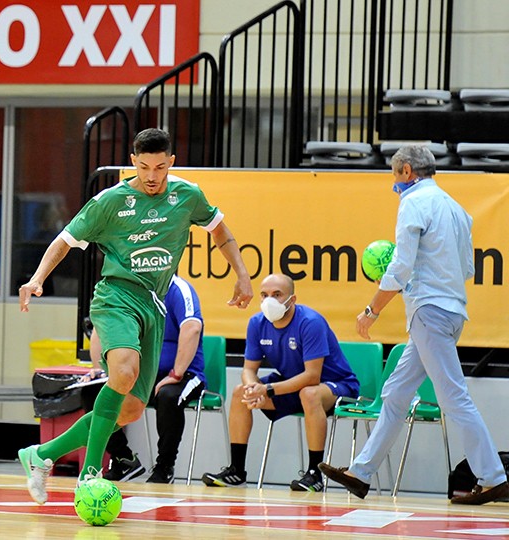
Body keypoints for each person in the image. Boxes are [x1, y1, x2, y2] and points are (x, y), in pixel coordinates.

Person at [17, 128, 252, 505]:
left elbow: (221, 233)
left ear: (170, 163)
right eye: (144, 167)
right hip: (116, 296)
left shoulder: (187, 196)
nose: (152, 175)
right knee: (122, 373)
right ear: (133, 163)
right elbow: (64, 240)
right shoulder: (111, 201)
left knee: (129, 408)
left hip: (153, 306)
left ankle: (41, 455)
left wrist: (242, 275)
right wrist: (36, 279)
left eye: (159, 167)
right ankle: (89, 476)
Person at [320, 145, 508, 505]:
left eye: (395, 174)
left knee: (454, 397)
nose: (394, 182)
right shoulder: (457, 209)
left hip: (428, 310)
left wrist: (371, 310)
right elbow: (468, 269)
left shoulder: (414, 202)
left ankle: (494, 477)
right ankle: (361, 473)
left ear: (406, 170)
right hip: (452, 311)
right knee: (395, 393)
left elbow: (401, 266)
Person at [202, 273, 360, 492]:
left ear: (292, 299)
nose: (270, 301)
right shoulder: (257, 323)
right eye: (264, 295)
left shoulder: (310, 322)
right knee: (240, 393)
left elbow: (312, 376)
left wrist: (267, 389)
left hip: (335, 385)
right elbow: (249, 369)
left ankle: (314, 473)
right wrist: (252, 388)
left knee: (310, 394)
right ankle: (237, 470)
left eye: (277, 295)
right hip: (291, 383)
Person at [80, 274, 207, 484]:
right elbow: (101, 331)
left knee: (168, 396)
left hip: (183, 375)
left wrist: (176, 373)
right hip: (142, 374)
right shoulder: (129, 288)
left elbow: (192, 328)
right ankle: (123, 460)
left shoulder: (178, 289)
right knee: (93, 392)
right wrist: (101, 371)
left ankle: (164, 467)